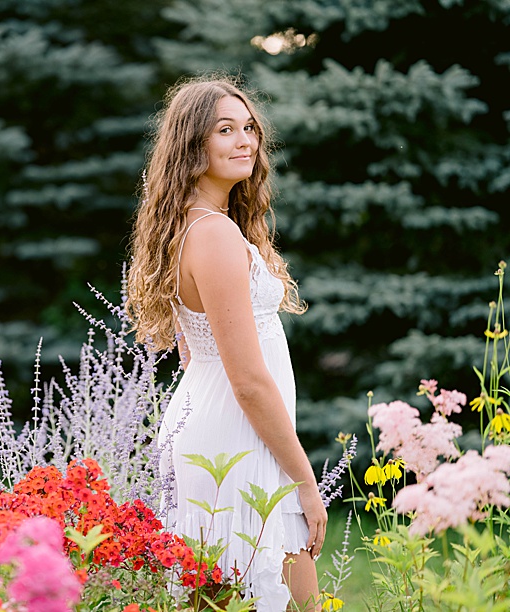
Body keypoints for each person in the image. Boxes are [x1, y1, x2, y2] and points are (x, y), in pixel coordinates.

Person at [127, 77, 327, 611]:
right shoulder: (212, 233)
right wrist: (306, 481)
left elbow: (195, 351)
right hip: (237, 437)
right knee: (295, 603)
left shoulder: (193, 225)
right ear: (194, 145)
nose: (245, 141)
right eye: (225, 130)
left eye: (249, 129)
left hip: (220, 427)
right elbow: (247, 379)